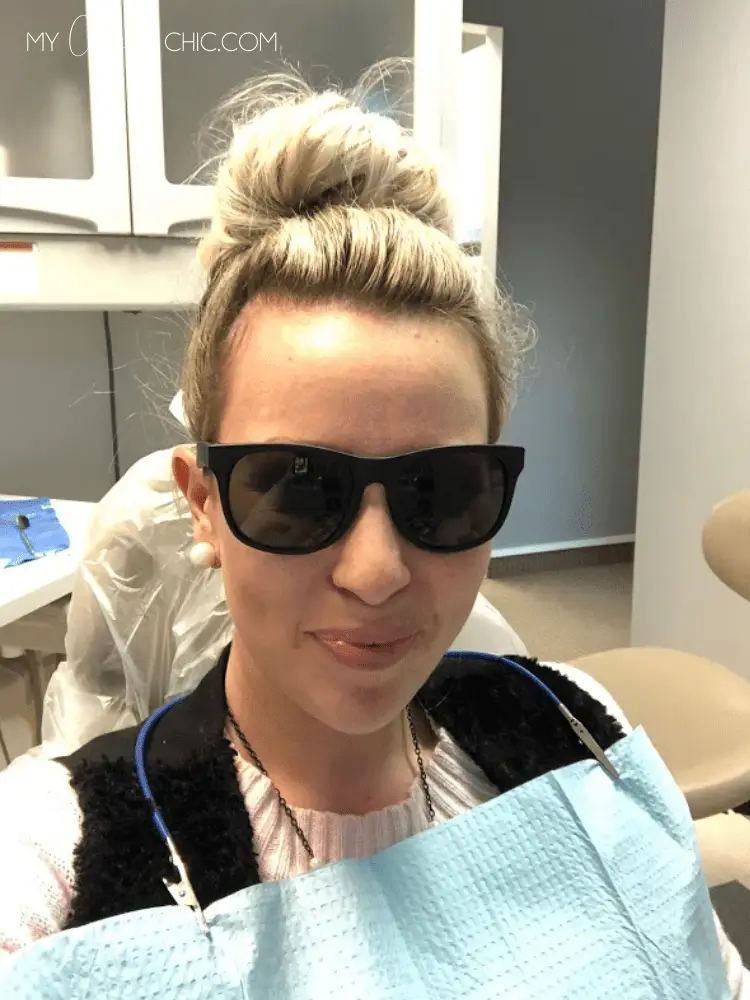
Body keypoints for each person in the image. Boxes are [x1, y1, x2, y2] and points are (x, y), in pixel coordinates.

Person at [0, 66, 747, 997]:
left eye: (443, 491)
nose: (378, 570)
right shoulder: (65, 859)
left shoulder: (570, 724)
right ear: (203, 504)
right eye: (298, 493)